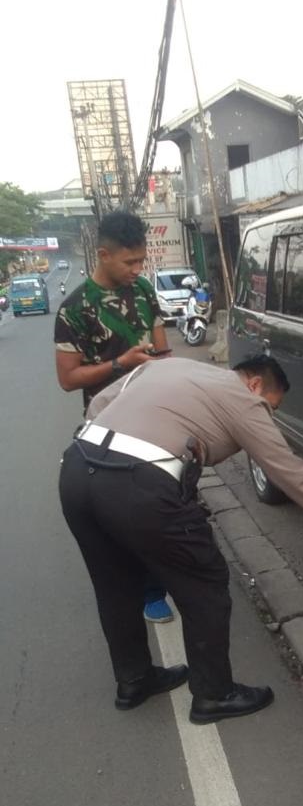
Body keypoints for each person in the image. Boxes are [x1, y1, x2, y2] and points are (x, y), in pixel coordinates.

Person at [58, 355, 303, 724]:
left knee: (115, 585)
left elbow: (102, 402)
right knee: (204, 582)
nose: (268, 415)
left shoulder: (169, 365)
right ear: (255, 385)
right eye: (271, 406)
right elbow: (287, 470)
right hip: (141, 485)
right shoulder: (243, 399)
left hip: (77, 469)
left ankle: (134, 680)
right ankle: (214, 694)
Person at [54, 209, 174, 625]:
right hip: (107, 430)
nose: (138, 270)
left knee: (162, 506)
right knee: (124, 516)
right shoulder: (75, 310)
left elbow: (163, 349)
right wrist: (121, 363)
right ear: (103, 255)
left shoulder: (143, 291)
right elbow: (68, 379)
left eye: (142, 261)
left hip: (156, 421)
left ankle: (160, 583)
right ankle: (142, 592)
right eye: (130, 262)